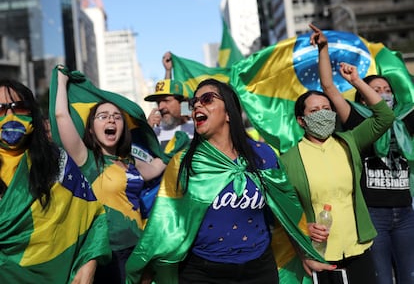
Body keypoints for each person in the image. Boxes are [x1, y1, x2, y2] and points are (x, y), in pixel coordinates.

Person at [125, 78, 335, 284]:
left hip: (259, 270)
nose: (197, 104)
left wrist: (304, 251)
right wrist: (147, 271)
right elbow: (165, 224)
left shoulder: (263, 156)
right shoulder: (183, 163)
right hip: (201, 273)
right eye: (194, 102)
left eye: (207, 99)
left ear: (228, 112)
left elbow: (283, 212)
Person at [280, 42, 395, 283]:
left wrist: (357, 81)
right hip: (321, 255)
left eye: (326, 108)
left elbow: (385, 116)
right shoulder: (289, 159)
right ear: (301, 121)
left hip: (359, 247)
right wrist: (303, 241)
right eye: (314, 111)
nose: (323, 113)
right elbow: (286, 211)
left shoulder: (349, 141)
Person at [311, 23, 414, 284]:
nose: (383, 94)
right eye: (376, 91)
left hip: (406, 213)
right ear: (364, 98)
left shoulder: (405, 119)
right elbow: (329, 87)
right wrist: (324, 49)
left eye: (387, 90)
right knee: (381, 280)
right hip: (372, 214)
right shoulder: (358, 119)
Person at [54, 68, 166, 284]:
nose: (111, 121)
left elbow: (156, 167)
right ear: (92, 128)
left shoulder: (129, 162)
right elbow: (61, 116)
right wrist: (61, 78)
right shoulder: (85, 159)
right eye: (103, 117)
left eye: (117, 117)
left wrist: (172, 150)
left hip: (139, 248)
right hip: (105, 254)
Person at [0, 79, 110, 283]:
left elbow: (93, 216)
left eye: (19, 107)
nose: (10, 116)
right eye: (0, 109)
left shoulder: (58, 163)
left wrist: (89, 264)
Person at [145, 52, 194, 150]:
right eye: (158, 102)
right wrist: (146, 132)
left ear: (182, 103)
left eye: (166, 101)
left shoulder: (197, 129)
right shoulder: (154, 134)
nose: (160, 107)